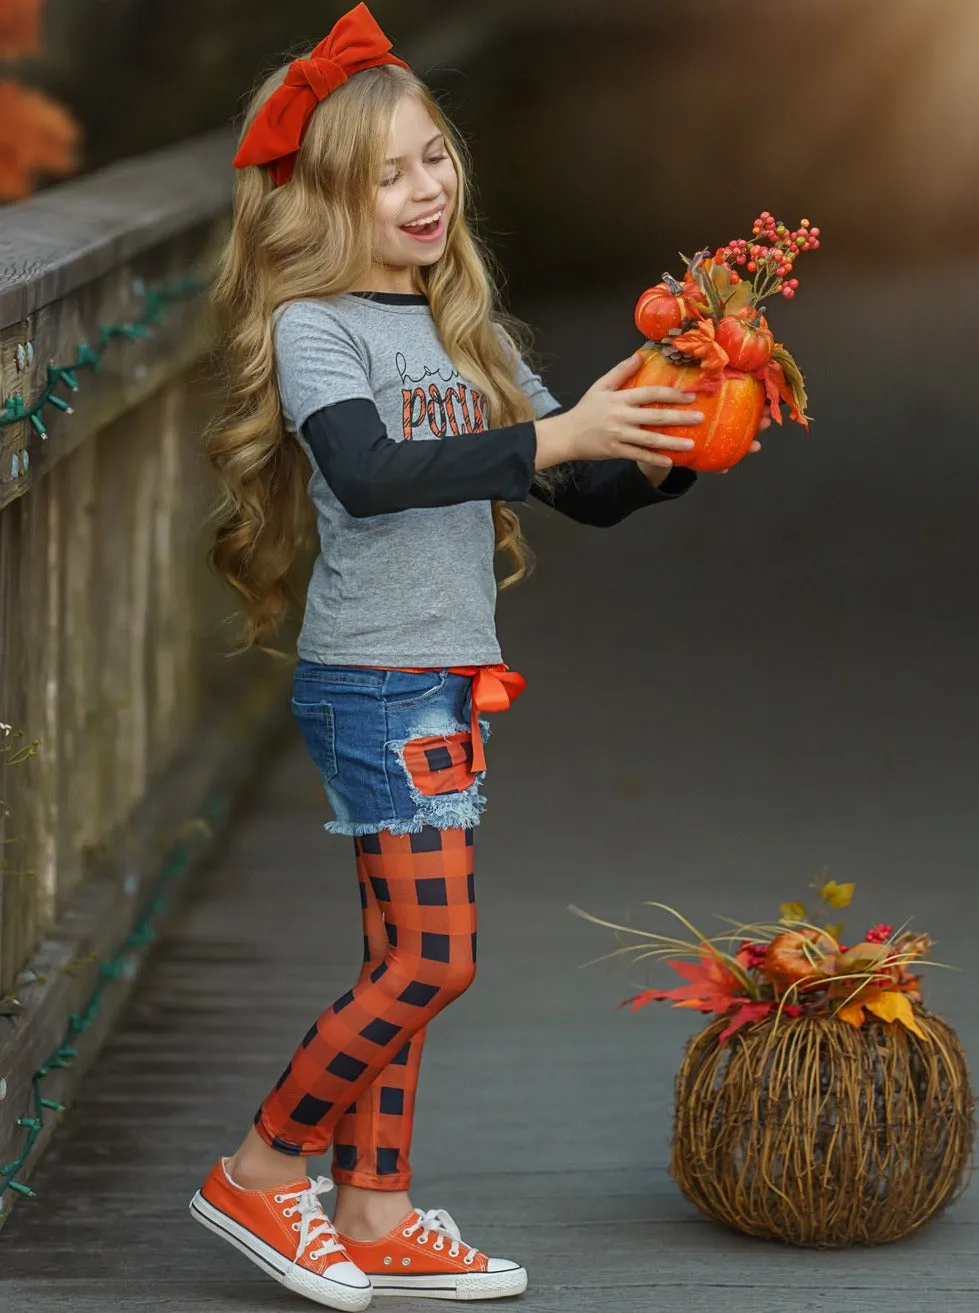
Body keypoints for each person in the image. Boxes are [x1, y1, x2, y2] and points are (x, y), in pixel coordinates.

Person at [191, 5, 761, 1308]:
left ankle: (376, 1207)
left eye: (433, 155)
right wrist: (555, 441)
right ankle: (262, 1169)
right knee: (432, 962)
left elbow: (580, 491)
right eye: (385, 171)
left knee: (400, 952)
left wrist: (673, 452)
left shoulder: (469, 336)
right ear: (327, 199)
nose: (423, 187)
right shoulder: (316, 331)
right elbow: (371, 472)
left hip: (444, 682)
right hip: (370, 680)